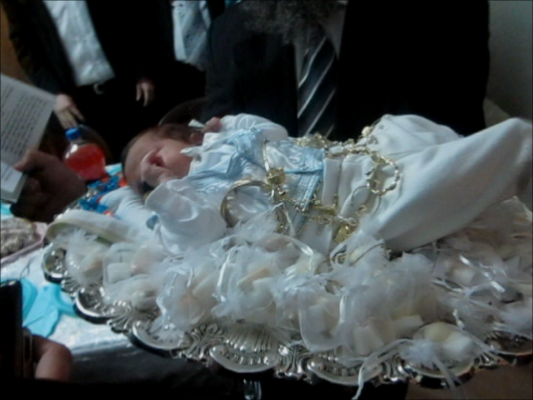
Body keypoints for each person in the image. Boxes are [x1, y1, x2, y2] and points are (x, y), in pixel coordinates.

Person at [201, 1, 490, 141]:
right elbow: (214, 140)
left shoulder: (448, 15)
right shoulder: (229, 32)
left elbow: (458, 143)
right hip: (267, 224)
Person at [0, 0, 159, 161]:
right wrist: (55, 94)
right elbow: (26, 48)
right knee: (103, 166)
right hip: (77, 102)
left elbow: (128, 18)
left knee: (150, 155)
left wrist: (141, 72)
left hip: (127, 88)